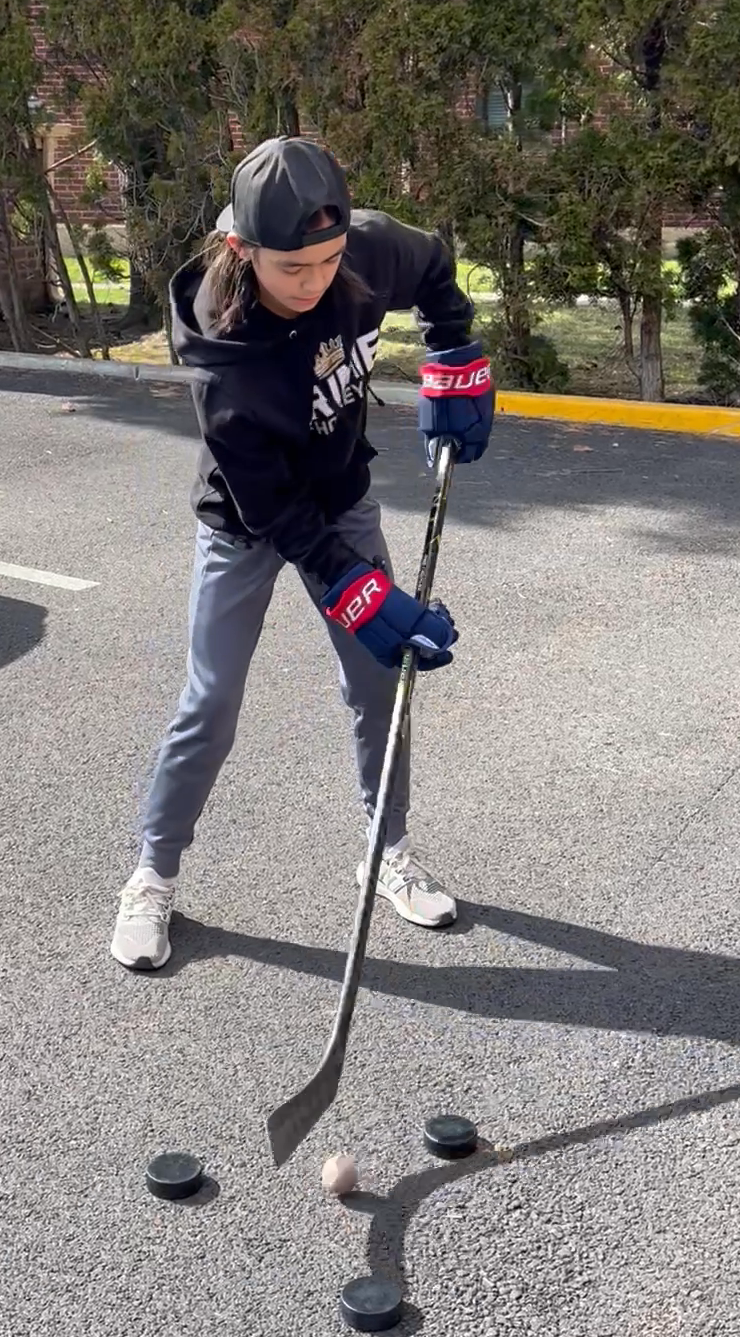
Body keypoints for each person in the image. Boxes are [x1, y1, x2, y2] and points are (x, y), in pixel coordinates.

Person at [111, 136, 494, 971]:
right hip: (247, 521)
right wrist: (356, 590)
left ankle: (386, 850)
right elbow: (271, 503)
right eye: (294, 269)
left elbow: (432, 268)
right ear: (243, 253)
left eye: (329, 260)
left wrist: (454, 357)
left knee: (377, 686)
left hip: (342, 496)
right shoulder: (224, 344)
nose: (316, 280)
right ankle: (152, 874)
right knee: (209, 704)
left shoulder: (361, 248)